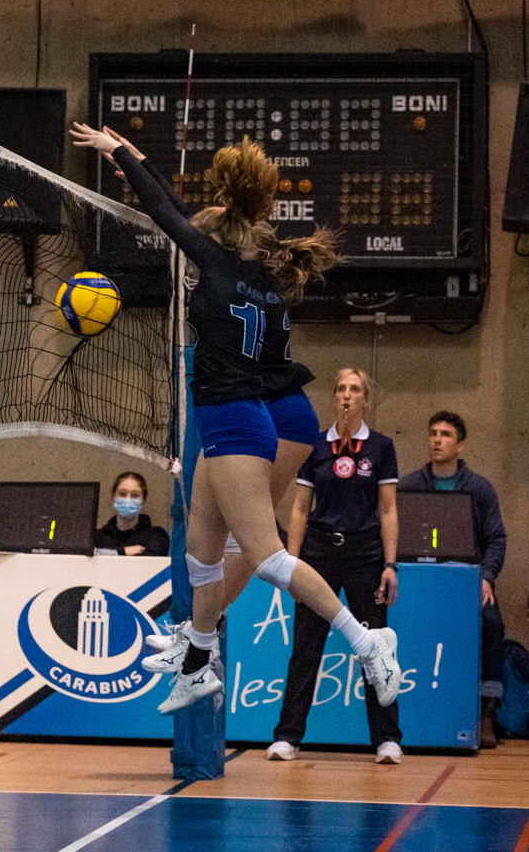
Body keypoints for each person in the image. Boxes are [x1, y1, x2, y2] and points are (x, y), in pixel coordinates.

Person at [69, 123, 402, 716]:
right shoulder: (266, 267)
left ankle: (366, 639)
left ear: (220, 224)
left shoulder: (215, 262)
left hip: (237, 414)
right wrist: (135, 157)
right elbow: (176, 209)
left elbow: (164, 210)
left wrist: (120, 152)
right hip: (258, 407)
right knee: (201, 550)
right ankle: (198, 654)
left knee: (266, 555)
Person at [265, 368, 403, 763]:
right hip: (319, 554)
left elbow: (388, 509)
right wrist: (291, 564)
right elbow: (299, 508)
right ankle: (287, 737)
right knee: (306, 648)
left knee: (375, 647)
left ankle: (387, 739)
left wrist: (390, 564)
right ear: (333, 397)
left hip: (365, 555)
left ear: (365, 400)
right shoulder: (315, 446)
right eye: (341, 388)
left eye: (354, 389)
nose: (346, 395)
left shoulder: (381, 447)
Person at [398, 410, 507, 749]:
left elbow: (496, 539)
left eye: (445, 435)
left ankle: (485, 711)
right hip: (418, 582)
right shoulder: (408, 486)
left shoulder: (479, 488)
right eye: (433, 433)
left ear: (460, 446)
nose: (437, 439)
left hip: (466, 583)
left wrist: (486, 577)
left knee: (491, 623)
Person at [95, 471, 170, 556]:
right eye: (122, 494)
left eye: (135, 495)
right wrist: (123, 551)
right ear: (113, 497)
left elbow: (151, 559)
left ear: (143, 501)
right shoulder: (96, 536)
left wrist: (105, 553)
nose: (128, 499)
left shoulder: (156, 535)